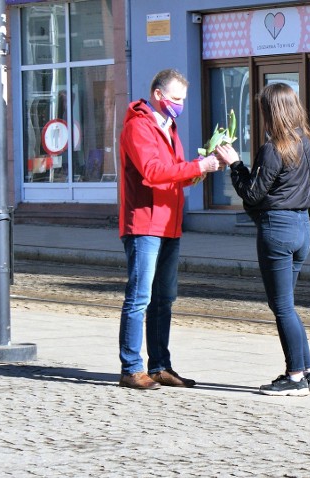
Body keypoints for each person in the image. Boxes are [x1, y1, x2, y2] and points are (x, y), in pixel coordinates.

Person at [214, 83, 310, 397]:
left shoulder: (275, 147)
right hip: (302, 227)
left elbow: (252, 193)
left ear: (271, 112)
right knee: (288, 305)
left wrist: (235, 165)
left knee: (283, 307)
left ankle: (295, 375)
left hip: (278, 229)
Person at [117, 68, 222, 390]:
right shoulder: (139, 126)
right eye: (176, 99)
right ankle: (131, 368)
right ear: (159, 95)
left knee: (164, 299)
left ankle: (160, 366)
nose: (180, 105)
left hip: (168, 223)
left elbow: (172, 172)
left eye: (183, 100)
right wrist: (195, 167)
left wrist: (196, 172)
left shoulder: (168, 125)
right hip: (145, 223)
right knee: (140, 298)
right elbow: (151, 171)